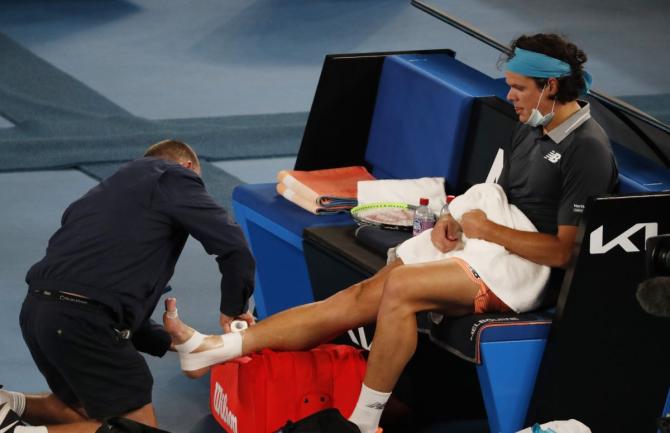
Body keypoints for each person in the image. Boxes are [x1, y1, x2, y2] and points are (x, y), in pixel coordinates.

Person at [173, 33, 617, 433]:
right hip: (488, 244)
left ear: (551, 88)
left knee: (400, 288)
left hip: (526, 273)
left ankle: (363, 422)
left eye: (519, 87)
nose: (510, 95)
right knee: (362, 295)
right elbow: (497, 193)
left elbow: (563, 253)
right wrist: (457, 217)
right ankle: (218, 347)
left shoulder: (587, 150)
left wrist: (490, 230)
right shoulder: (531, 125)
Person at [0, 140, 256, 433]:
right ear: (187, 167)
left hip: (38, 315)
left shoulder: (98, 198)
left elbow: (98, 298)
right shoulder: (173, 175)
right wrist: (234, 309)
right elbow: (235, 248)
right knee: (135, 430)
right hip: (81, 322)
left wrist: (181, 342)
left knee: (78, 414)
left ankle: (9, 403)